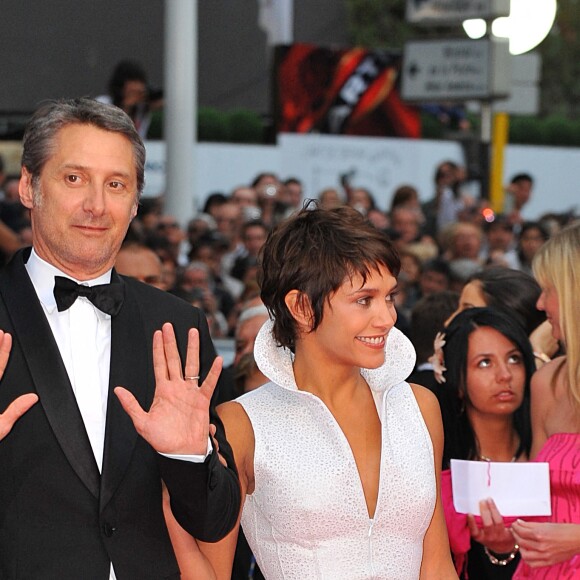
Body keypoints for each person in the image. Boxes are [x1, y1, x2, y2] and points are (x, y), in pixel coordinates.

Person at [0, 97, 240, 579]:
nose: (96, 205)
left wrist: (188, 456)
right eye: (74, 179)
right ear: (29, 186)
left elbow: (215, 520)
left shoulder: (177, 326)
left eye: (116, 185)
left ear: (134, 203)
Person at [167, 204, 457, 578]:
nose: (387, 318)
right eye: (364, 300)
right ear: (302, 306)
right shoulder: (242, 424)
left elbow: (436, 565)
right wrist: (173, 471)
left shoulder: (420, 407)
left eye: (390, 297)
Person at [435, 307, 535, 578]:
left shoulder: (547, 453)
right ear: (456, 379)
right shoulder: (437, 466)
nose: (505, 374)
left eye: (514, 359)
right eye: (484, 363)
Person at [509, 221, 580, 577]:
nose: (540, 303)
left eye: (548, 289)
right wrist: (504, 533)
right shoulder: (547, 382)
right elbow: (533, 503)